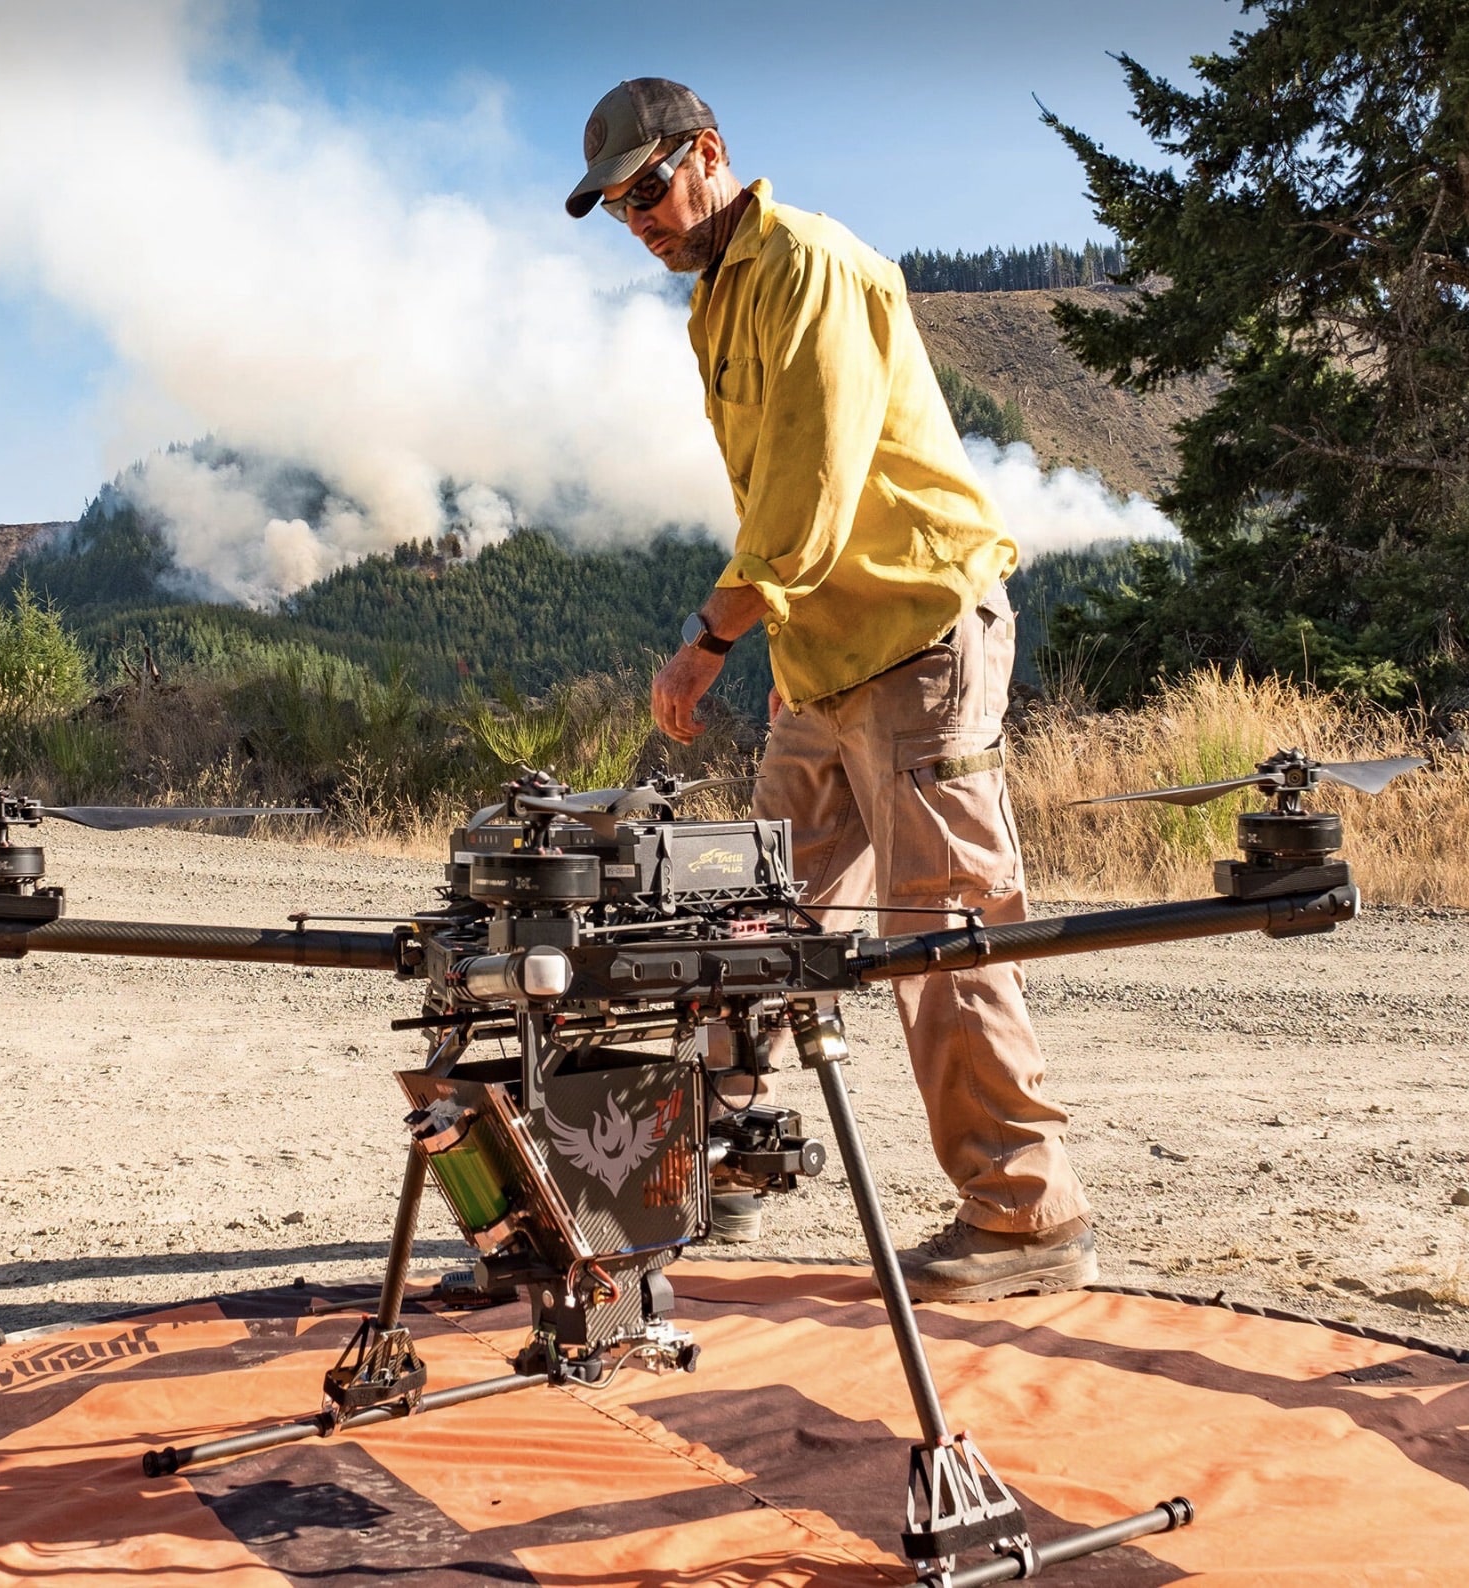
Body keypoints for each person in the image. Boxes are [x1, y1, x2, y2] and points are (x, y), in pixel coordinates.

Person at [565, 79, 1094, 1301]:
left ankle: (1025, 1215)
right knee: (746, 924)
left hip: (918, 640)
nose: (638, 217)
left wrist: (706, 639)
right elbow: (778, 518)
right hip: (821, 662)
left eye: (651, 186)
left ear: (710, 153)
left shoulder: (808, 264)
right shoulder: (715, 297)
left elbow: (800, 509)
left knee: (939, 931)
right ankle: (724, 1167)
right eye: (616, 205)